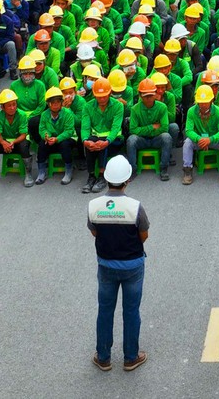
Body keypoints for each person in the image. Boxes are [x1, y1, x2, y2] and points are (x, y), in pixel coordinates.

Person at [88, 154, 150, 373]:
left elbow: (94, 231)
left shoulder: (93, 205)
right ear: (128, 180)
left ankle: (103, 357)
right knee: (131, 311)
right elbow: (144, 235)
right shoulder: (135, 207)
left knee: (105, 311)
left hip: (106, 266)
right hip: (133, 266)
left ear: (105, 178)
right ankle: (131, 357)